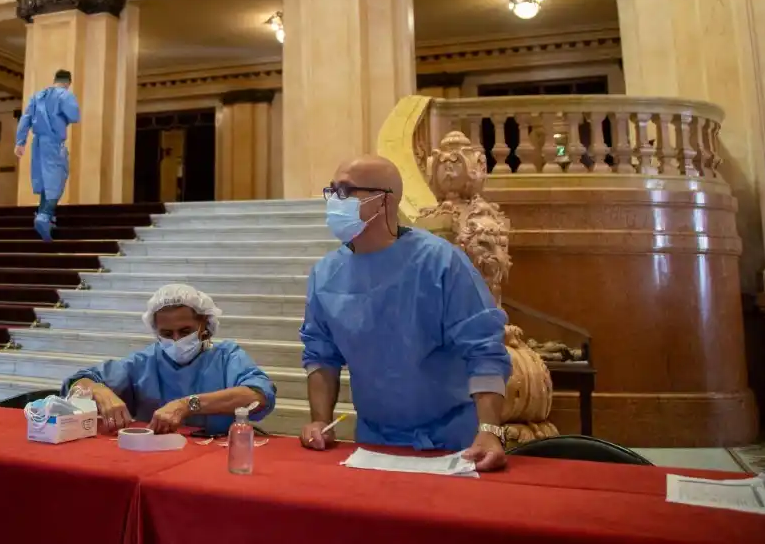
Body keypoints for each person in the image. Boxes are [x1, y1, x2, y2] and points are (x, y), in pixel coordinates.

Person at [299, 155, 512, 472]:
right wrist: (319, 420)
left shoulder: (439, 262)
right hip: (374, 441)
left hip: (452, 443)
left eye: (346, 191)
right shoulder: (326, 273)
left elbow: (483, 349)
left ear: (383, 199)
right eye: (332, 191)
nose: (334, 201)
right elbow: (321, 355)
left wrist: (489, 430)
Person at [62, 284, 277, 435]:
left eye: (185, 331)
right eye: (166, 334)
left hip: (215, 455)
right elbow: (78, 382)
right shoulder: (143, 363)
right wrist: (99, 391)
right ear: (155, 331)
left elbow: (258, 394)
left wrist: (187, 405)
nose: (176, 340)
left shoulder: (226, 356)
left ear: (204, 325)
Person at [14, 69, 80, 241]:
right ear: (68, 82)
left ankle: (44, 215)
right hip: (53, 142)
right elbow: (74, 116)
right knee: (57, 178)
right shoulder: (64, 95)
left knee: (45, 180)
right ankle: (45, 215)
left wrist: (20, 142)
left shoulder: (37, 96)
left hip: (38, 142)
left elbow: (25, 119)